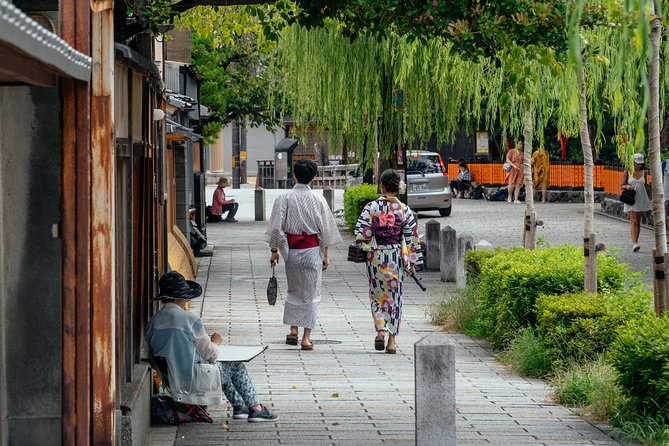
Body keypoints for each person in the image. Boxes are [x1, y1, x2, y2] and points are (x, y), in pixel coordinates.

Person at [146, 271, 278, 422]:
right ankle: (256, 408)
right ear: (181, 298)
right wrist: (216, 341)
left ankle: (239, 406)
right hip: (195, 382)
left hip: (171, 382)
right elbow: (211, 354)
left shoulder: (153, 322)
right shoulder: (190, 319)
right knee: (235, 365)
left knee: (224, 367)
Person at [265, 159, 342, 350]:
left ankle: (293, 330)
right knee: (311, 293)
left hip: (291, 251)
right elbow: (325, 230)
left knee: (294, 290)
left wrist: (275, 251)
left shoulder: (284, 198)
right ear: (314, 177)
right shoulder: (319, 200)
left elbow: (276, 227)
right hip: (311, 250)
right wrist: (325, 254)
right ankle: (306, 338)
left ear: (294, 175)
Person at [354, 169, 423, 354]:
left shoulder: (372, 207)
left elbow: (362, 233)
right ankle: (392, 341)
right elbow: (412, 238)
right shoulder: (404, 209)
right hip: (396, 256)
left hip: (376, 257)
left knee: (377, 296)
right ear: (397, 187)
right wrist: (412, 263)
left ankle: (380, 331)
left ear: (382, 185)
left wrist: (371, 240)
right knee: (395, 298)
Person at [622, 153, 651, 252]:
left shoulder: (644, 172)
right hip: (631, 199)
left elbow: (645, 185)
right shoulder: (628, 172)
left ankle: (636, 242)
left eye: (640, 164)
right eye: (637, 164)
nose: (639, 166)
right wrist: (626, 186)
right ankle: (634, 243)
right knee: (633, 221)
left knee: (638, 222)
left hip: (641, 199)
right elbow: (622, 185)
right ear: (632, 163)